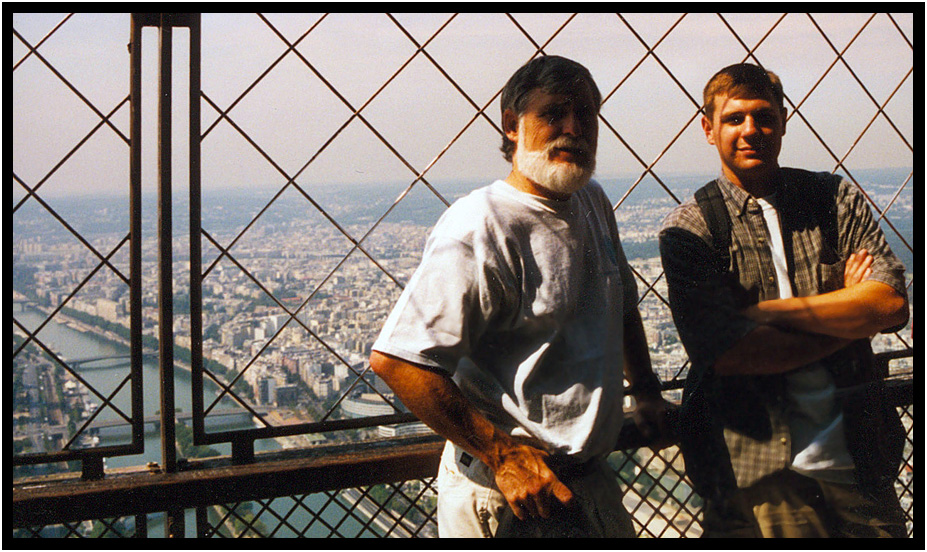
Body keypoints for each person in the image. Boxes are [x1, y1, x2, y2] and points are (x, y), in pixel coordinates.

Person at [369, 55, 672, 538]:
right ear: (511, 125)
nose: (573, 128)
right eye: (553, 113)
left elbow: (622, 304)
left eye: (586, 114)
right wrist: (501, 453)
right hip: (511, 495)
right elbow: (397, 361)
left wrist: (647, 390)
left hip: (584, 481)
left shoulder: (591, 200)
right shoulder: (482, 224)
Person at [659, 63, 909, 538]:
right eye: (734, 119)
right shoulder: (691, 227)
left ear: (783, 122)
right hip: (764, 478)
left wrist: (766, 313)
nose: (750, 130)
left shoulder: (833, 197)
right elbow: (731, 353)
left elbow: (891, 303)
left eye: (763, 116)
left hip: (859, 459)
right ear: (708, 129)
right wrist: (847, 311)